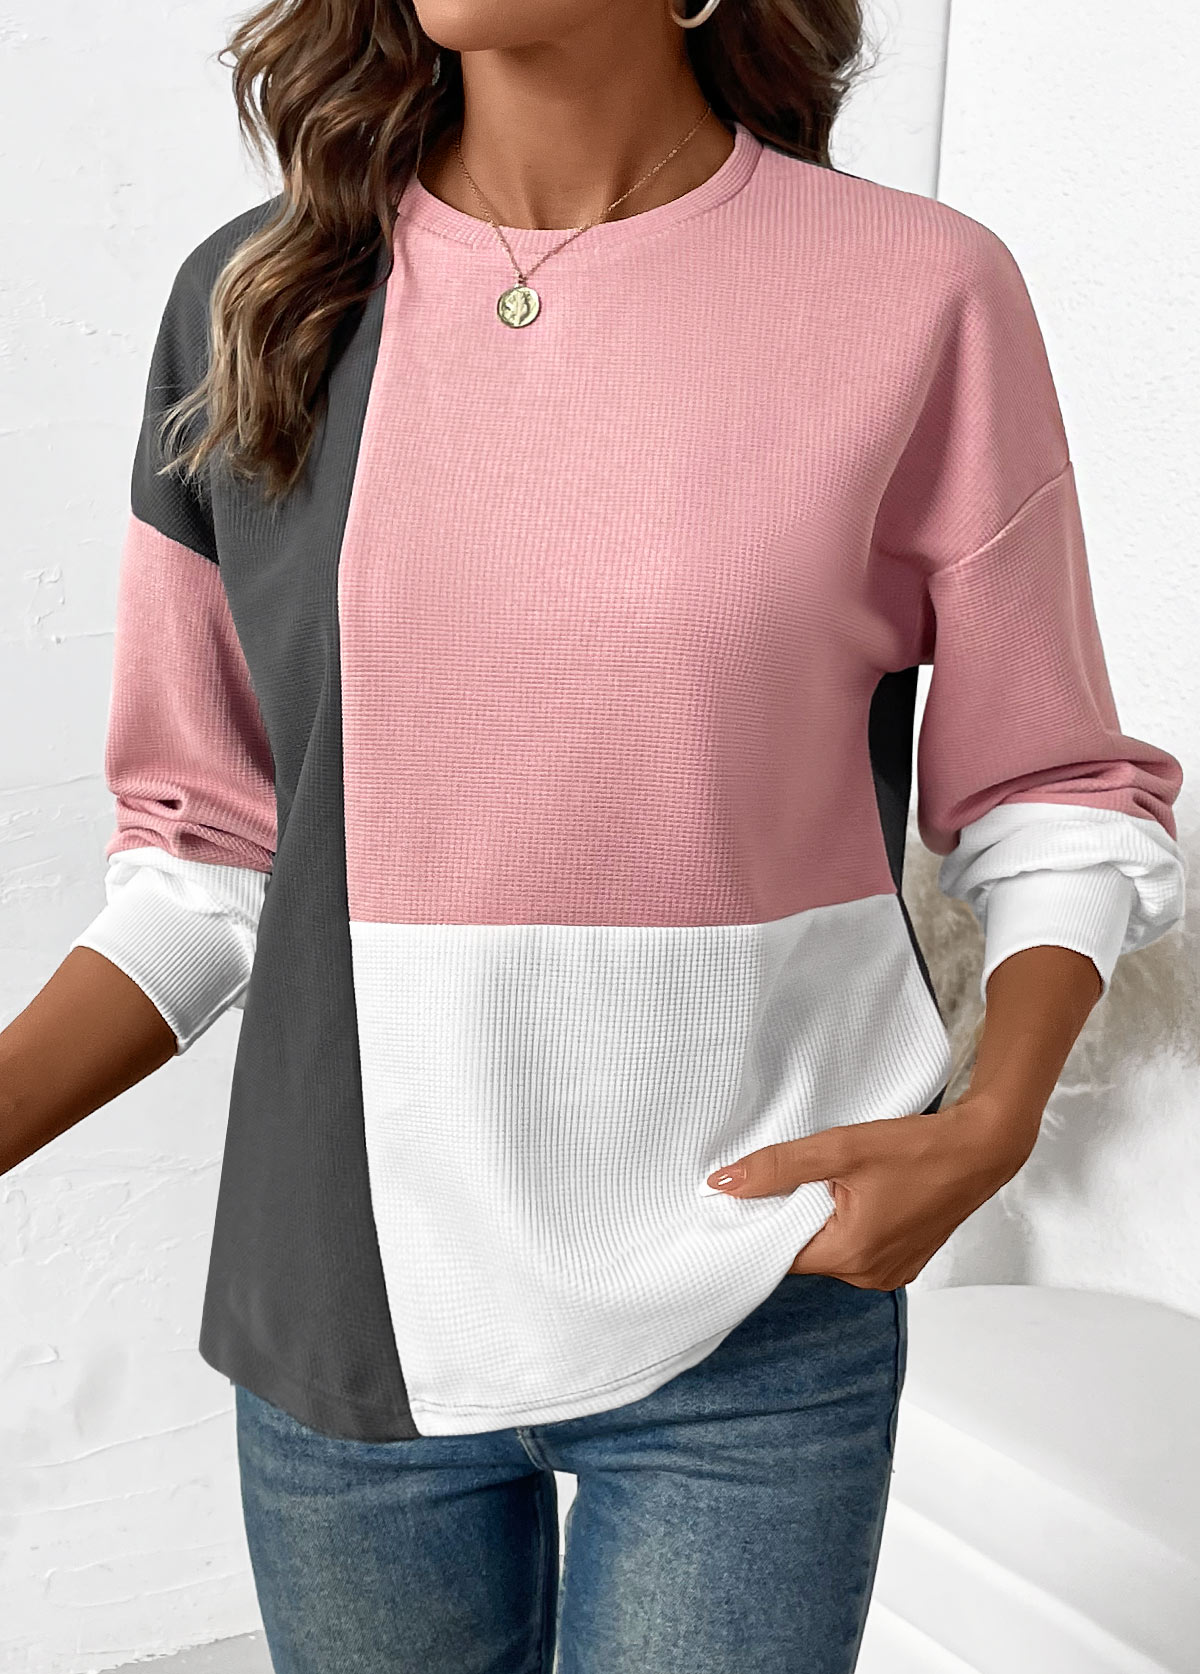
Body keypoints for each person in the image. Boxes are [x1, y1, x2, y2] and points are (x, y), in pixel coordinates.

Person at [1, 0, 1187, 1669]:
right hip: (351, 1294)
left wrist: (995, 1121)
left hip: (763, 1295)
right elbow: (205, 860)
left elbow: (1050, 782)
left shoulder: (917, 288)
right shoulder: (259, 298)